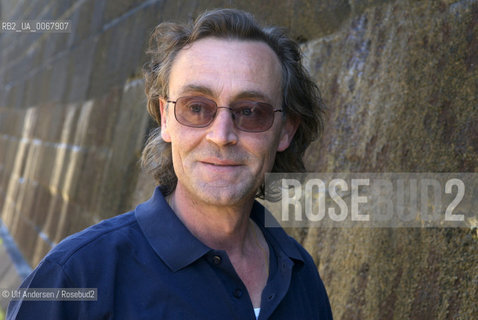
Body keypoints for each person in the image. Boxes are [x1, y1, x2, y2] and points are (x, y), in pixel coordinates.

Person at [7, 8, 332, 320]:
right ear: (165, 118)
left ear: (286, 130)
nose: (221, 136)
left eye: (250, 111)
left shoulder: (299, 273)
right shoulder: (74, 276)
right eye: (196, 108)